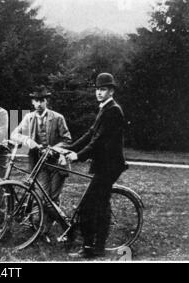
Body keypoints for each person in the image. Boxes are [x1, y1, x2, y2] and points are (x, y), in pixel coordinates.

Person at [65, 73, 128, 258]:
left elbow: (98, 141)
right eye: (98, 89)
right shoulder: (105, 108)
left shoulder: (113, 110)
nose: (99, 93)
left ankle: (89, 249)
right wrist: (69, 148)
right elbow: (91, 133)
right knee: (101, 206)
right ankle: (98, 247)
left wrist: (77, 155)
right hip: (105, 165)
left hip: (109, 166)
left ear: (111, 91)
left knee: (87, 207)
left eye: (103, 89)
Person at [11, 85, 72, 205]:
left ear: (46, 101)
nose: (39, 104)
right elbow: (14, 134)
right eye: (36, 101)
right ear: (32, 102)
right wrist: (28, 141)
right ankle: (44, 220)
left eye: (42, 101)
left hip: (57, 163)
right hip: (39, 163)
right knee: (42, 196)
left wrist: (53, 149)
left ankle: (54, 221)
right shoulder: (29, 118)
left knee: (53, 196)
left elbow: (67, 140)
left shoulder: (57, 118)